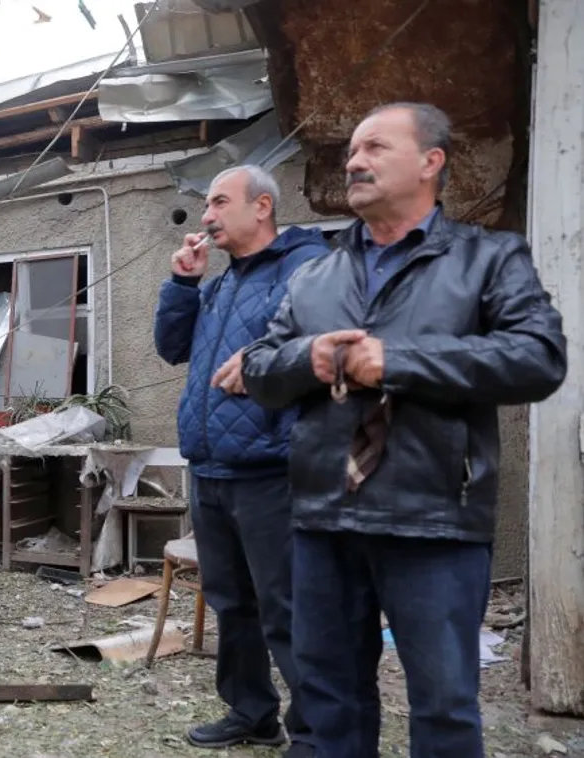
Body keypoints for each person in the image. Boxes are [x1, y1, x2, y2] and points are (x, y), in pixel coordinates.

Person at [241, 102, 567, 758]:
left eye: (375, 148)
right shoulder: (314, 275)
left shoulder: (487, 260)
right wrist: (308, 359)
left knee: (443, 708)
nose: (354, 162)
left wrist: (402, 361)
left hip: (434, 517)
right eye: (351, 151)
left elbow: (538, 358)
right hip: (323, 518)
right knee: (326, 700)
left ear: (429, 162)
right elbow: (257, 373)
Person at [154, 164, 328, 756]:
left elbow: (320, 339)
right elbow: (171, 348)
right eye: (207, 204)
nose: (206, 216)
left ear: (262, 207)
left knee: (287, 608)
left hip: (271, 471)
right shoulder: (223, 283)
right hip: (210, 469)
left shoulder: (304, 267)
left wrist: (263, 357)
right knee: (233, 604)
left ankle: (318, 732)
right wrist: (183, 285)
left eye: (219, 202)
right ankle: (252, 712)